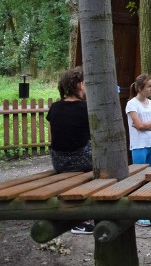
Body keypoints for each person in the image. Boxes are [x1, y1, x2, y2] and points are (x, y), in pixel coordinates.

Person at [46, 67, 94, 235]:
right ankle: (87, 216)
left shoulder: (55, 107)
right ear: (80, 85)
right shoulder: (86, 108)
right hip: (82, 160)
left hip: (58, 161)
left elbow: (52, 138)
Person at [126, 73, 151, 227]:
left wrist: (148, 124)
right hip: (139, 144)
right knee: (139, 178)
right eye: (149, 86)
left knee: (149, 178)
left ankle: (147, 211)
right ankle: (138, 213)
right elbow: (138, 126)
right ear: (140, 88)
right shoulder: (132, 104)